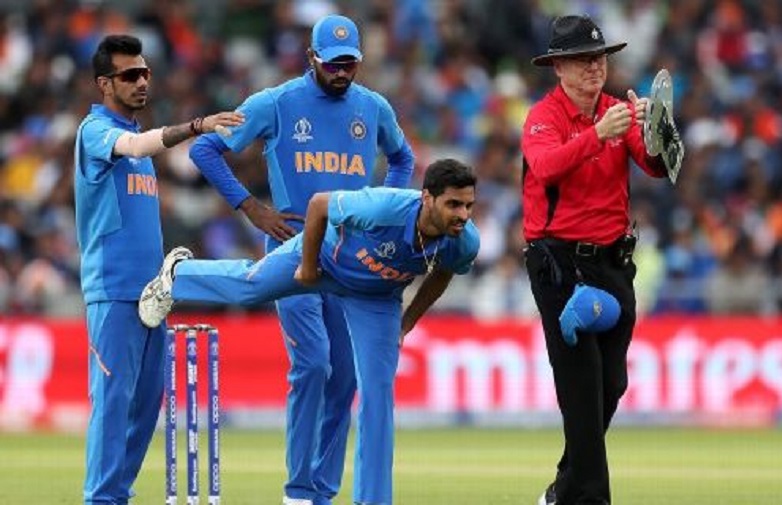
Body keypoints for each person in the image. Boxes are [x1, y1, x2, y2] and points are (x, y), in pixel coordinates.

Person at [140, 158, 479, 505]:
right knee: (251, 287)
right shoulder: (383, 207)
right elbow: (319, 205)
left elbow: (444, 272)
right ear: (427, 198)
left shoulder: (464, 240)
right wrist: (306, 265)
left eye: (468, 205)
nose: (463, 215)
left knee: (378, 396)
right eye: (453, 204)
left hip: (375, 298)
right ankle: (179, 274)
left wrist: (406, 323)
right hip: (324, 260)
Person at [187, 14, 414, 505]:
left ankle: (322, 493)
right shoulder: (276, 103)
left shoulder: (373, 107)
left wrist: (382, 211)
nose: (341, 72)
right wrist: (251, 207)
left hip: (350, 257)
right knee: (313, 364)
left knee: (346, 376)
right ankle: (298, 492)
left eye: (350, 64)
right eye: (332, 64)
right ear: (311, 57)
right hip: (293, 253)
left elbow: (403, 159)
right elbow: (205, 149)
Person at [74, 34, 243, 504]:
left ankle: (117, 495)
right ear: (105, 83)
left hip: (151, 295)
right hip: (112, 291)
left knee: (147, 405)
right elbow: (134, 145)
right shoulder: (96, 131)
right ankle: (101, 499)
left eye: (145, 73)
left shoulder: (140, 152)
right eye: (130, 75)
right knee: (113, 403)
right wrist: (196, 126)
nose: (142, 82)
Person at [520, 15, 679, 505]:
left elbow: (657, 167)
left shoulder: (617, 112)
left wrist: (657, 130)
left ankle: (562, 491)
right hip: (560, 266)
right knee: (582, 388)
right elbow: (545, 167)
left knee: (611, 383)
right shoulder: (543, 117)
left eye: (599, 58)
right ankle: (588, 498)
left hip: (612, 265)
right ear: (558, 68)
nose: (594, 67)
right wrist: (596, 134)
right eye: (582, 60)